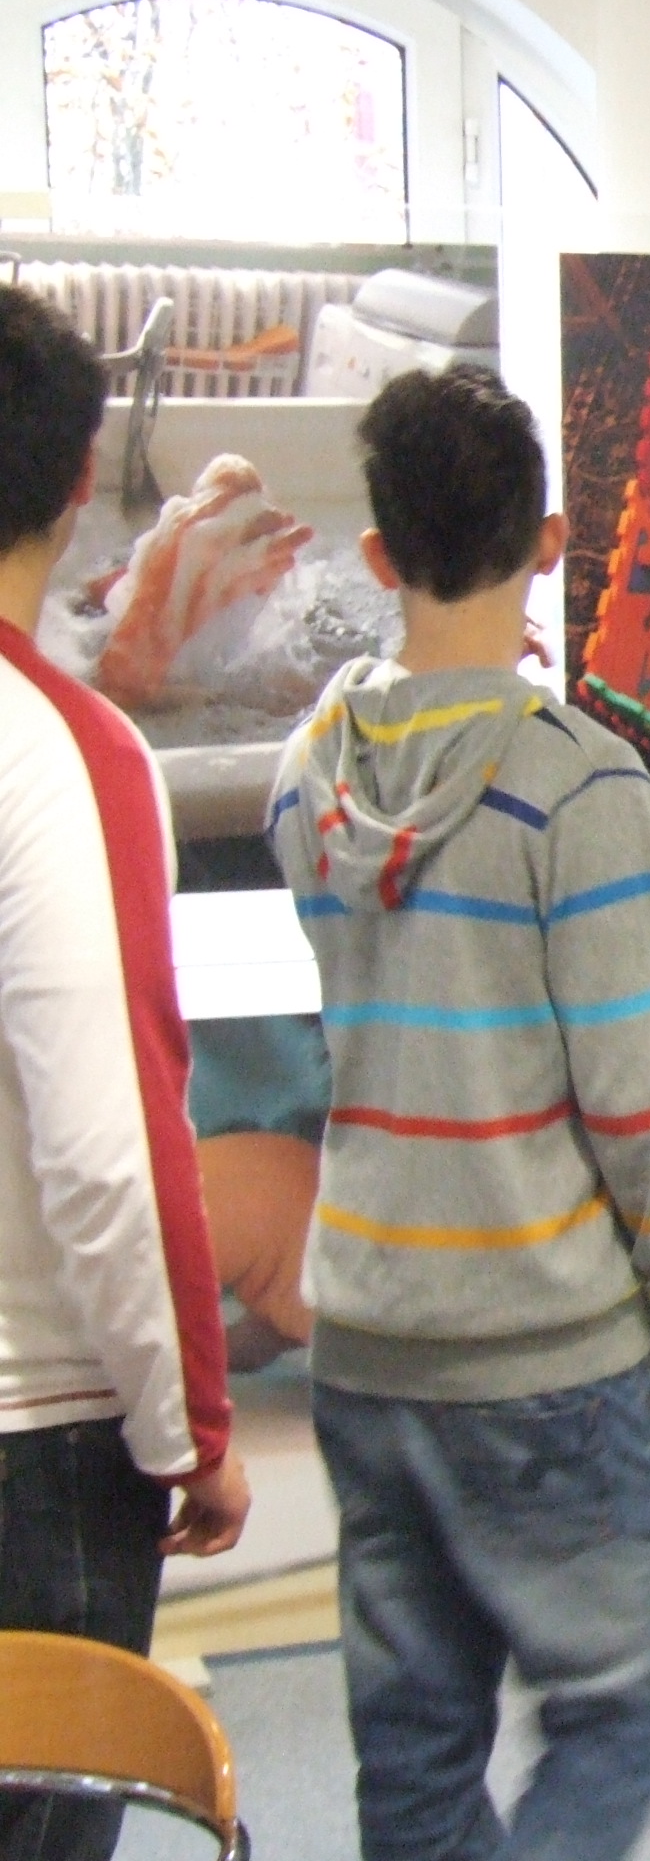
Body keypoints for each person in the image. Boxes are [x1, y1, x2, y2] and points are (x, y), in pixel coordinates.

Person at [272, 367, 650, 1861]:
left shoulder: (310, 779)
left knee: (415, 1745)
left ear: (378, 554)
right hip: (541, 1344)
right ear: (550, 543)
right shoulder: (581, 787)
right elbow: (639, 1096)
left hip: (367, 1332)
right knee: (626, 1698)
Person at [0, 281, 251, 1861]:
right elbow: (109, 1145)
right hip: (34, 1435)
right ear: (79, 481)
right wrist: (189, 1427)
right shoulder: (59, 750)